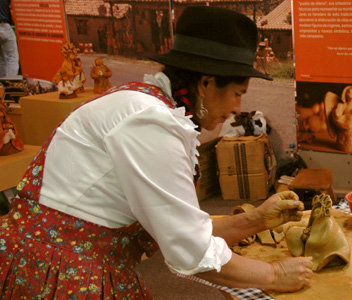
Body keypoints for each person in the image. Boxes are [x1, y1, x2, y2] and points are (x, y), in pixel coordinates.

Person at [0, 6, 313, 299]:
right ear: (205, 83)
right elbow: (189, 249)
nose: (236, 109)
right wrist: (272, 275)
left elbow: (178, 227)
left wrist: (256, 220)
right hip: (62, 274)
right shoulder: (150, 123)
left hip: (62, 262)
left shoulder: (145, 106)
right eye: (237, 94)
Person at [0, 0, 19, 78]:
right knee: (12, 57)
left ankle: (1, 86)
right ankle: (10, 86)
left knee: (1, 58)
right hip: (3, 25)